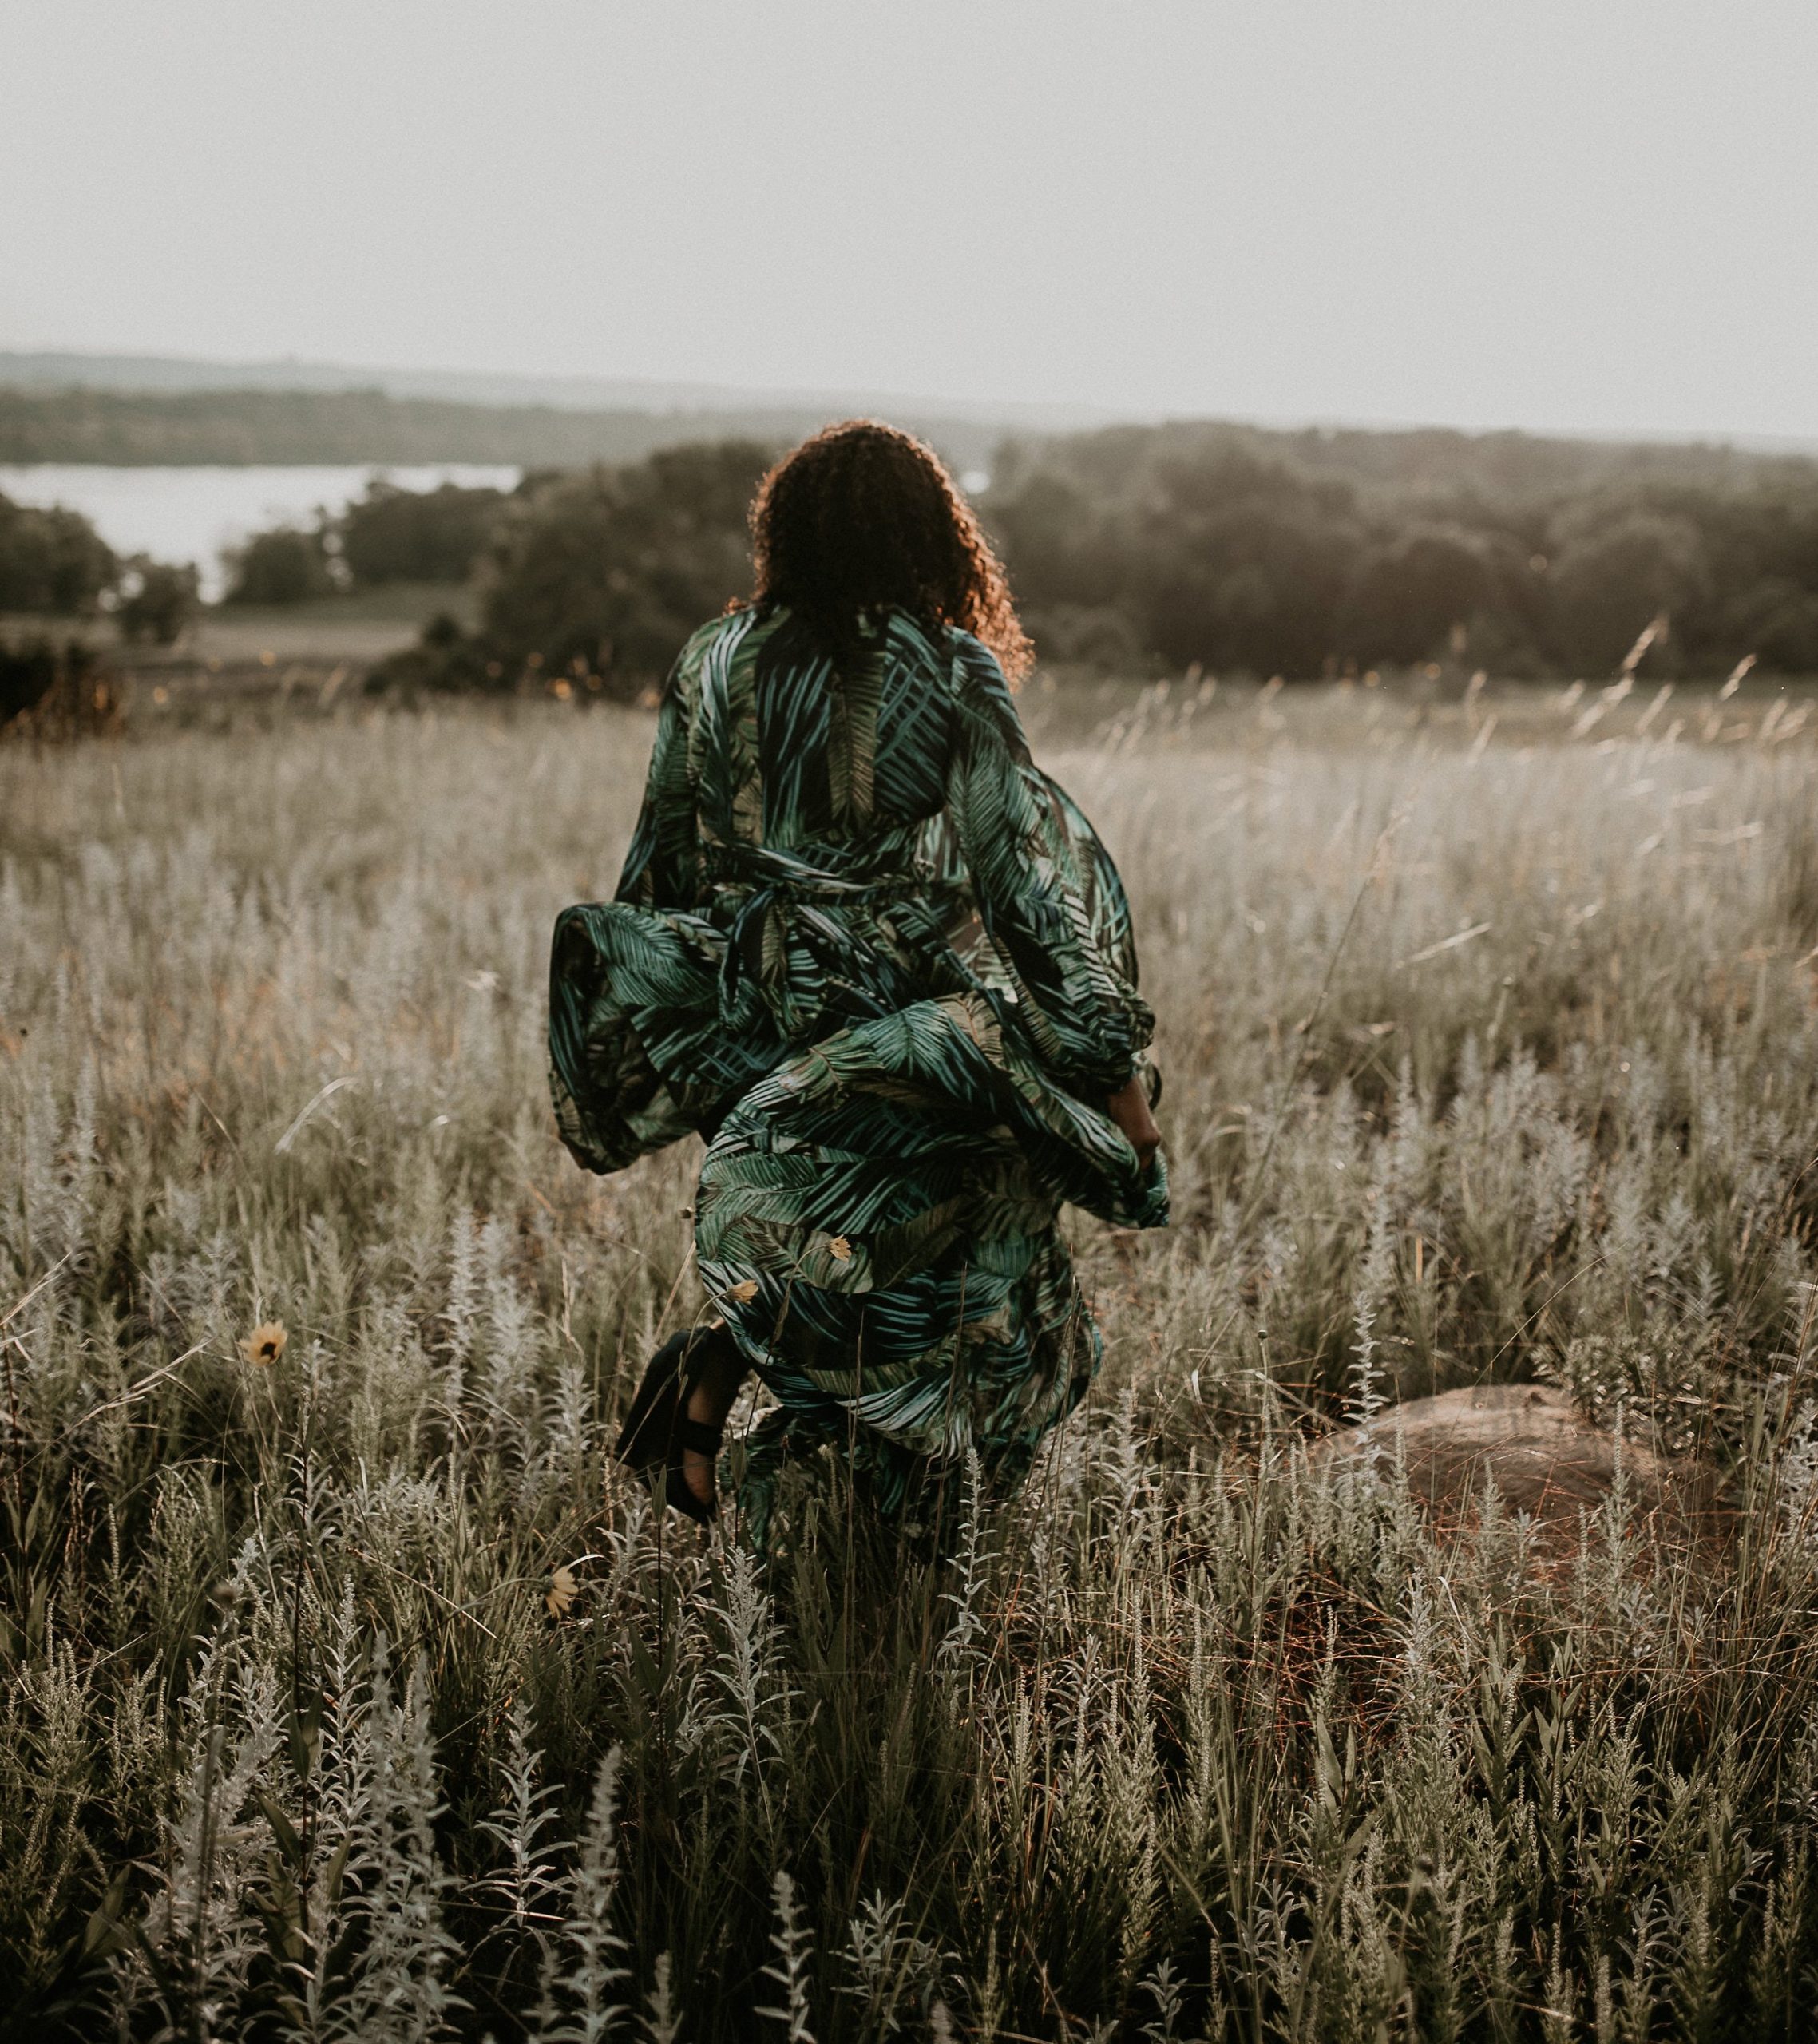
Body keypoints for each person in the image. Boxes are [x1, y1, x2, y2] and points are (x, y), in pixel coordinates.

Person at [548, 421, 1166, 1547]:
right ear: (932, 538)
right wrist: (1111, 1076)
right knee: (945, 1251)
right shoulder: (948, 666)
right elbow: (1023, 886)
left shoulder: (712, 657)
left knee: (816, 1239)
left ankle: (730, 1385)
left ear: (784, 533)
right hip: (885, 1009)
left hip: (735, 998)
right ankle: (872, 1529)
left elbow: (662, 861)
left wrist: (669, 1019)